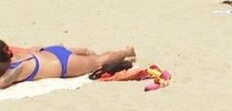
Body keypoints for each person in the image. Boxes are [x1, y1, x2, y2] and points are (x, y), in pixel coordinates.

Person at [0, 40, 136, 89]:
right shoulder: (16, 54)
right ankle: (85, 51)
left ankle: (126, 52)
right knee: (91, 56)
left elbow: (3, 83)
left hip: (64, 64)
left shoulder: (15, 69)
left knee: (98, 61)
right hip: (49, 51)